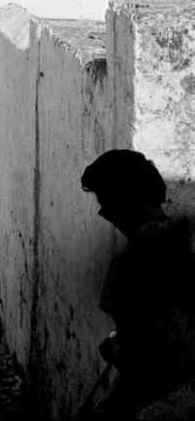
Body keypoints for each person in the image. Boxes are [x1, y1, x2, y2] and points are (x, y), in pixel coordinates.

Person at [79, 149, 195, 419]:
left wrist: (115, 348)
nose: (103, 212)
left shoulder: (133, 260)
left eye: (105, 200)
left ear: (124, 200)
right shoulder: (185, 236)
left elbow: (138, 358)